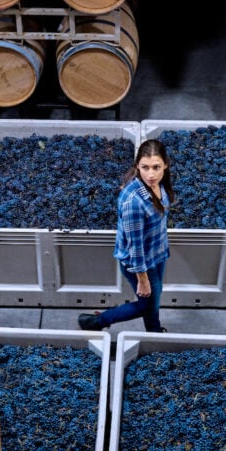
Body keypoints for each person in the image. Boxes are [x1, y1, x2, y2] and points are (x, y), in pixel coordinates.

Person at [79, 139, 175, 333]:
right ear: (137, 166)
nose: (151, 174)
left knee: (152, 301)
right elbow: (135, 246)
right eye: (145, 167)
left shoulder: (160, 185)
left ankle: (154, 332)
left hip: (157, 253)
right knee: (147, 305)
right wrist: (143, 279)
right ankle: (97, 322)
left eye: (156, 167)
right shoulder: (133, 202)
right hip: (139, 263)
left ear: (165, 164)